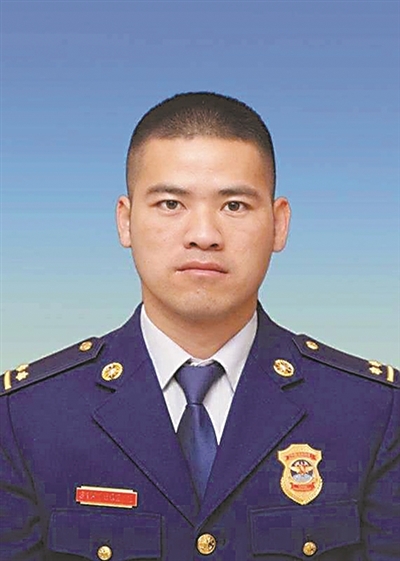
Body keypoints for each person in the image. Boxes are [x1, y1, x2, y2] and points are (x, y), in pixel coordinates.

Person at [1, 92, 399, 561]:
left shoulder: (374, 412)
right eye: (171, 203)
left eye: (235, 206)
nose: (204, 235)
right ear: (125, 222)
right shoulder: (25, 418)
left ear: (278, 224)